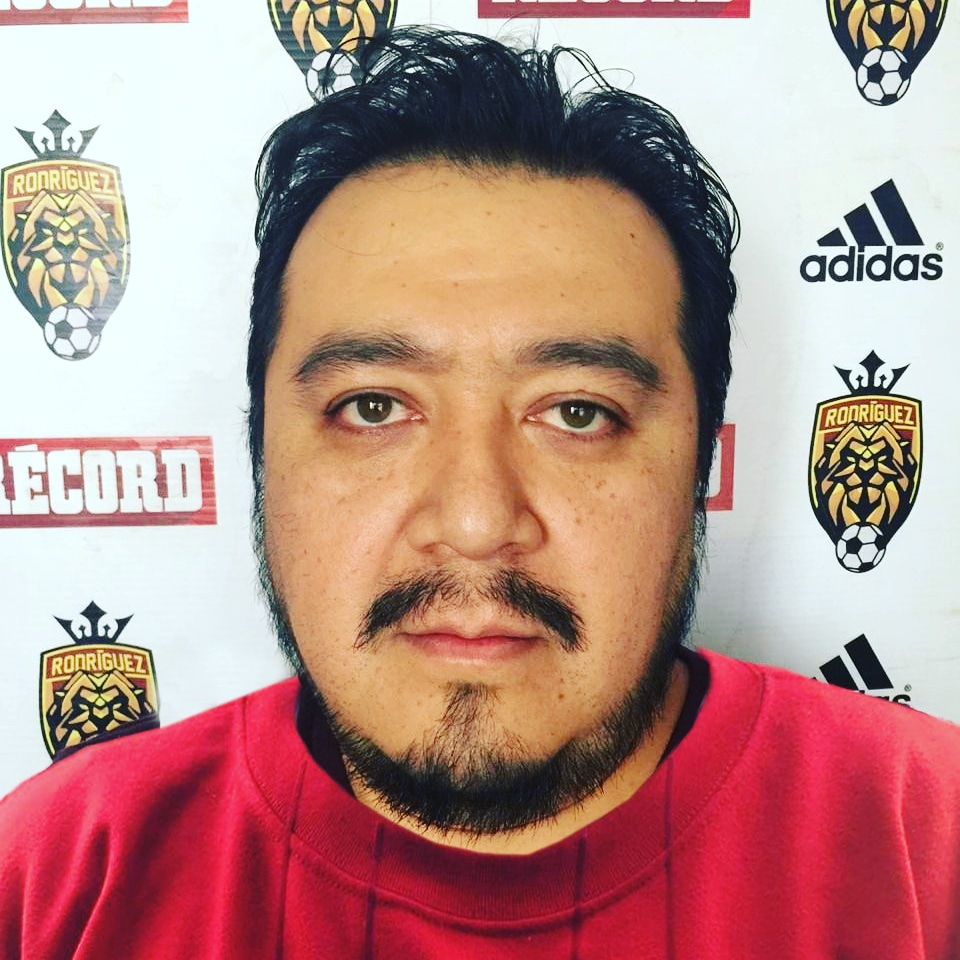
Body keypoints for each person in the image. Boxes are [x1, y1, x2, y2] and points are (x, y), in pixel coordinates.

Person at [2, 25, 958, 960]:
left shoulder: (930, 851)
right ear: (263, 456)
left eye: (578, 413)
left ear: (699, 464)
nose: (474, 521)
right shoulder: (54, 879)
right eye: (373, 406)